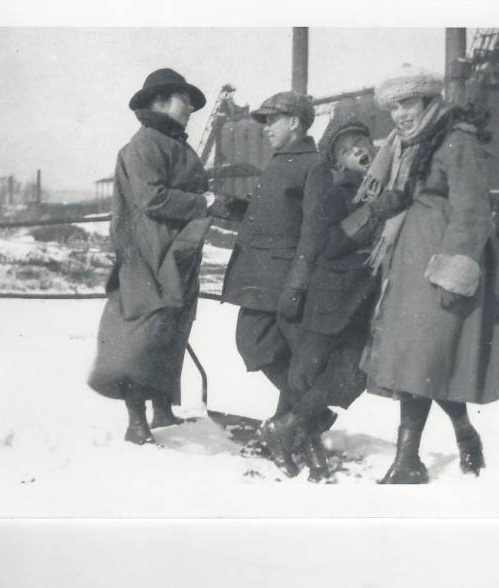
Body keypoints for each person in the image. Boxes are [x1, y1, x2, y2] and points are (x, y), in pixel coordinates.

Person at [355, 64, 499, 484]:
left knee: (421, 358)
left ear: (429, 102)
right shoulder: (408, 145)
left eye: (407, 103)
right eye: (394, 106)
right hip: (408, 266)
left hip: (439, 268)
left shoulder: (455, 141)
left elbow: (471, 211)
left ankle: (408, 460)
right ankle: (462, 435)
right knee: (421, 358)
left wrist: (455, 270)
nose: (399, 114)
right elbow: (406, 195)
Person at [265, 116, 411, 481]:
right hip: (329, 300)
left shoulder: (387, 188)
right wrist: (373, 211)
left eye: (361, 142)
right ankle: (297, 440)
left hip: (364, 304)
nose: (358, 150)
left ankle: (286, 429)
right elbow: (327, 244)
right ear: (336, 162)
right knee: (305, 375)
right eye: (346, 149)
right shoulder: (336, 194)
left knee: (352, 377)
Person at [88, 68, 214, 445]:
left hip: (176, 252)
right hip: (146, 255)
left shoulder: (172, 142)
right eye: (183, 98)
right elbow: (153, 198)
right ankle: (135, 421)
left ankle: (161, 407)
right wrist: (203, 203)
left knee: (171, 328)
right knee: (139, 336)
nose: (191, 106)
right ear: (159, 102)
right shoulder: (144, 145)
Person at [220, 91, 334, 477]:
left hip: (283, 279)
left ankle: (303, 421)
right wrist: (230, 208)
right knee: (266, 349)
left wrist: (298, 284)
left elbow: (313, 232)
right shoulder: (280, 162)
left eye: (273, 120)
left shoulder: (312, 166)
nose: (266, 128)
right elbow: (269, 214)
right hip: (261, 276)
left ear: (296, 123)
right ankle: (303, 423)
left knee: (260, 345)